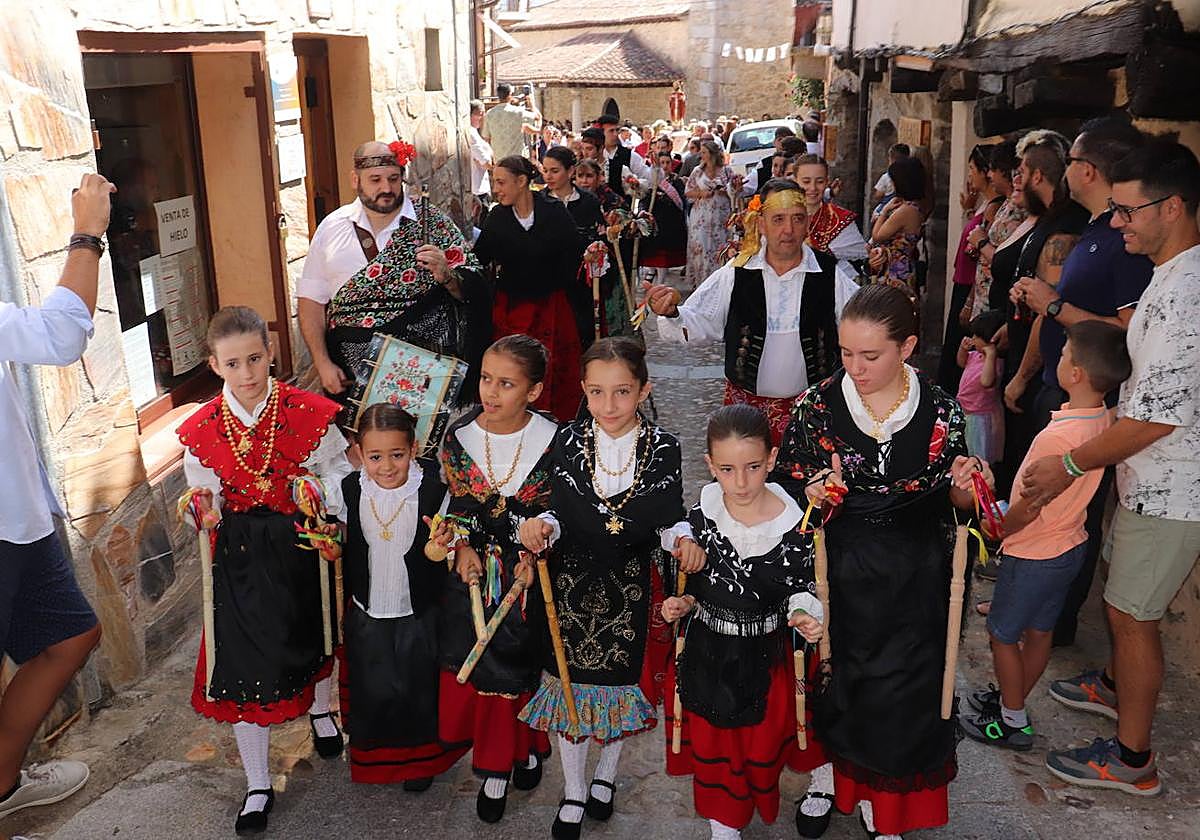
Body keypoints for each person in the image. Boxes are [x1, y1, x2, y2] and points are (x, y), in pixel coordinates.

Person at [777, 284, 995, 840]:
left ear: (908, 347)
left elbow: (958, 502)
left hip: (916, 568)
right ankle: (828, 778)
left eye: (870, 355)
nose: (855, 367)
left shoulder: (942, 406)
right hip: (839, 564)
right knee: (834, 671)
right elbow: (788, 483)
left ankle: (885, 803)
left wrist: (969, 486)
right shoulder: (819, 404)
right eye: (846, 353)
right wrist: (816, 491)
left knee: (901, 687)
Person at [1020, 139, 1200, 797]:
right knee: (1125, 607)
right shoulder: (1172, 276)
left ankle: (1132, 759)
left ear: (1174, 206)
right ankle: (1119, 684)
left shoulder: (1186, 296)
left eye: (1128, 211)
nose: (1117, 222)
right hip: (1150, 480)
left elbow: (1157, 419)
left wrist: (1069, 462)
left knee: (1130, 615)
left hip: (1172, 487)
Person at [178, 306, 353, 834]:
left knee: (314, 635)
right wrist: (199, 511)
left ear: (271, 352)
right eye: (233, 364)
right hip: (240, 560)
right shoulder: (203, 428)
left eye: (255, 358)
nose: (248, 374)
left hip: (300, 545)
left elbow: (338, 471)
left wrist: (322, 498)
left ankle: (321, 712)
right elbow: (201, 494)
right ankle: (256, 782)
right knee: (242, 666)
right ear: (215, 365)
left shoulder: (308, 411)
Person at [518, 337, 700, 840]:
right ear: (583, 390)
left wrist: (681, 538)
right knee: (569, 685)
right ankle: (574, 787)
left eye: (622, 392)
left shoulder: (663, 446)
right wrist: (540, 527)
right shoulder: (569, 439)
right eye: (596, 393)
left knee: (621, 686)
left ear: (644, 389)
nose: (609, 405)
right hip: (571, 581)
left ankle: (605, 775)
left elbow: (667, 517)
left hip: (631, 583)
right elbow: (555, 508)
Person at [1006, 117, 1152, 646]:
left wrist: (1057, 306)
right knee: (1039, 494)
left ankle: (1051, 618)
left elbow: (1129, 332)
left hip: (1091, 398)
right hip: (1059, 385)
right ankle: (1022, 597)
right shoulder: (1096, 232)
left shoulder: (1120, 245)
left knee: (1070, 511)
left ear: (1086, 170)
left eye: (1070, 162)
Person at [0, 174, 113, 822]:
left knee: (70, 635)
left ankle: (4, 784)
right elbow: (62, 334)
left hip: (16, 516)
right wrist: (87, 229)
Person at [960, 321, 1129, 751]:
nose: (1058, 358)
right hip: (1068, 546)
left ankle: (1012, 720)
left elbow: (1029, 507)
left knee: (1002, 635)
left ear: (1076, 375)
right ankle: (1010, 701)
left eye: (1065, 353)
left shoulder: (1058, 439)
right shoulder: (1101, 420)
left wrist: (996, 527)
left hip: (1033, 551)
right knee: (1039, 632)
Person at [662, 405, 826, 840]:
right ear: (711, 466)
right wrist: (682, 601)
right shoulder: (705, 509)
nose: (740, 482)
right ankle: (725, 823)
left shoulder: (796, 522)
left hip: (770, 655)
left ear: (771, 461)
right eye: (727, 469)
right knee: (718, 739)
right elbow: (690, 575)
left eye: (753, 467)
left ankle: (822, 781)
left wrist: (805, 615)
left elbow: (804, 585)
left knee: (768, 738)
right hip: (709, 649)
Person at [437, 336, 558, 822]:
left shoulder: (558, 439)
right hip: (472, 574)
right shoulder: (459, 436)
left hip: (531, 575)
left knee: (521, 663)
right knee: (487, 667)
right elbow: (459, 505)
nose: (490, 391)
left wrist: (540, 550)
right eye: (487, 378)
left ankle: (524, 746)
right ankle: (493, 769)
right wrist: (461, 546)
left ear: (533, 391)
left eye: (506, 384)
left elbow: (560, 510)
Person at [646, 179, 856, 444]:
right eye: (778, 219)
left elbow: (861, 326)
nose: (788, 230)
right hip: (746, 413)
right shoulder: (737, 272)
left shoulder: (829, 274)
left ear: (807, 223)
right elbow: (699, 321)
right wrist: (672, 312)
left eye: (798, 219)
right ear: (761, 223)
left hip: (811, 413)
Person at [298, 140, 489, 404]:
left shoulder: (430, 223)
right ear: (355, 180)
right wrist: (322, 363)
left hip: (422, 374)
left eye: (393, 178)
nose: (386, 188)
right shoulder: (331, 228)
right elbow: (311, 302)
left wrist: (447, 275)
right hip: (351, 371)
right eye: (375, 180)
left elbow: (477, 286)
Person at [337, 404, 466, 786]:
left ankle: (420, 763)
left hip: (418, 610)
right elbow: (345, 537)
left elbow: (453, 540)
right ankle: (379, 757)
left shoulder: (431, 491)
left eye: (397, 454)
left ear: (413, 448)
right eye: (375, 456)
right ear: (360, 453)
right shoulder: (349, 488)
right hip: (368, 608)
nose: (387, 466)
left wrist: (448, 541)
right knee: (375, 688)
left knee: (417, 689)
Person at [992, 129, 1087, 492]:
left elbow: (1049, 311)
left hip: (1042, 371)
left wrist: (1020, 376)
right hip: (1021, 352)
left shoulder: (1065, 228)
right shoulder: (1046, 218)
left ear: (1035, 175)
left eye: (1022, 171)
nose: (1017, 178)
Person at [473, 156, 586, 422]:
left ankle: (554, 423)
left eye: (501, 182)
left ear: (522, 181)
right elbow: (478, 260)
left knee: (552, 366)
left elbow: (575, 253)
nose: (496, 189)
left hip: (551, 307)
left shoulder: (554, 212)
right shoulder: (497, 217)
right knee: (513, 367)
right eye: (494, 182)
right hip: (511, 309)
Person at [938, 144, 1002, 393]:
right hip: (963, 281)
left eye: (973, 169)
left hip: (969, 287)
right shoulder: (983, 205)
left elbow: (978, 254)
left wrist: (968, 301)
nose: (969, 175)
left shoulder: (995, 208)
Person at [965, 141, 1026, 320]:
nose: (990, 175)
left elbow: (1008, 259)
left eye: (993, 170)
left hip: (995, 300)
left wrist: (981, 242)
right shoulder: (1007, 204)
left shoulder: (1019, 209)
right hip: (985, 294)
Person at [792, 155, 868, 265]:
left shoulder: (841, 219)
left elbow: (859, 262)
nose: (813, 188)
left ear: (827, 182)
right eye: (806, 182)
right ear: (795, 181)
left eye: (819, 181)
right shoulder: (780, 216)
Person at [867, 156, 927, 295]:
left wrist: (884, 211)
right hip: (902, 268)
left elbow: (877, 236)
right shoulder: (915, 207)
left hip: (896, 271)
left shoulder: (905, 211)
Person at [684, 141, 739, 291]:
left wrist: (726, 190)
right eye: (700, 152)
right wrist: (701, 193)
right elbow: (688, 191)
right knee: (702, 247)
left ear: (712, 154)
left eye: (704, 152)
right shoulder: (697, 171)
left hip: (720, 215)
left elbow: (736, 190)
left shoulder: (726, 170)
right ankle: (702, 285)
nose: (701, 155)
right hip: (701, 215)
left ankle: (720, 285)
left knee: (719, 247)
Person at [955, 309, 1006, 465]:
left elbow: (986, 381)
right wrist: (963, 349)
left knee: (977, 457)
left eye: (977, 336)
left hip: (979, 417)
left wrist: (991, 355)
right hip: (967, 411)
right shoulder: (976, 356)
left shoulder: (995, 362)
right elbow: (961, 362)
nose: (973, 339)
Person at [640, 149, 689, 286]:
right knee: (655, 256)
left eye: (668, 162)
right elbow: (644, 199)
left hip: (671, 223)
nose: (665, 165)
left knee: (665, 257)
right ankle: (652, 276)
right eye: (662, 163)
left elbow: (681, 200)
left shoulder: (676, 180)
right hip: (655, 221)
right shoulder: (650, 181)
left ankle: (660, 283)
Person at [595, 114, 652, 201]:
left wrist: (656, 168)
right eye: (611, 131)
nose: (615, 134)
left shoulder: (630, 156)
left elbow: (648, 177)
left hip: (622, 209)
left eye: (616, 130)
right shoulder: (595, 155)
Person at [483, 83, 541, 161]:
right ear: (510, 94)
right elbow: (537, 117)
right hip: (516, 160)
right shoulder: (518, 112)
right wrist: (531, 103)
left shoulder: (489, 114)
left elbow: (486, 137)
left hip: (499, 161)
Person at [467, 100, 494, 221]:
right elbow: (485, 162)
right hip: (478, 189)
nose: (482, 117)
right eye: (480, 114)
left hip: (481, 186)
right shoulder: (471, 134)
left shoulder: (475, 133)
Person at [869, 143, 910, 210]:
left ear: (891, 159)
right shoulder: (910, 175)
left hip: (888, 209)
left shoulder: (886, 177)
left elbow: (878, 195)